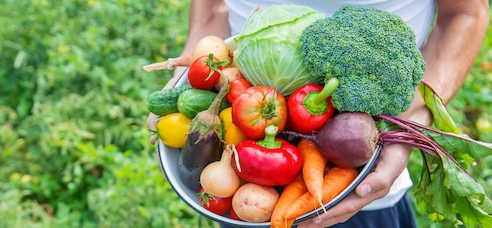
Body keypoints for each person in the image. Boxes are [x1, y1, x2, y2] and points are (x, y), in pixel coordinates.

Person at [146, 0, 489, 227]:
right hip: (242, 200)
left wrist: (418, 117)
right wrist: (190, 68)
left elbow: (465, 13)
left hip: (363, 186)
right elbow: (213, 8)